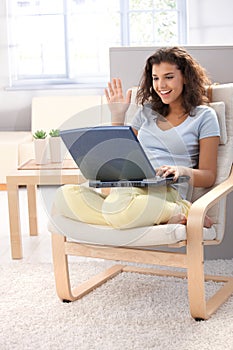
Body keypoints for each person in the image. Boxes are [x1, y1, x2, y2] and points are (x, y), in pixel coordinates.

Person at [55, 46, 220, 229]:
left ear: (186, 77)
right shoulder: (147, 112)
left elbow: (209, 176)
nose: (161, 85)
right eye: (155, 78)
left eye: (169, 77)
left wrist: (181, 171)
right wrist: (117, 116)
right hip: (129, 189)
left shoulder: (204, 116)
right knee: (64, 196)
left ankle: (170, 210)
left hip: (166, 191)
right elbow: (117, 157)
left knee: (119, 207)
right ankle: (171, 213)